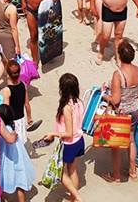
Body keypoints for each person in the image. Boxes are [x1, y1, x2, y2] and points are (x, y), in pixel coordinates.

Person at [42, 73, 85, 201]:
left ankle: (77, 197)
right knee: (73, 170)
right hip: (79, 140)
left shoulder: (67, 107)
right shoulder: (79, 102)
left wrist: (53, 134)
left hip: (69, 144)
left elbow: (68, 133)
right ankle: (73, 198)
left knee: (60, 173)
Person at [107, 39, 138, 182]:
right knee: (131, 140)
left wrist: (104, 95)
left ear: (120, 55)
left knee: (116, 146)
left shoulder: (118, 74)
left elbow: (115, 100)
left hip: (121, 113)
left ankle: (116, 176)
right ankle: (132, 171)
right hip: (134, 110)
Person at [0, 102, 34, 202]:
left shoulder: (1, 131)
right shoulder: (13, 131)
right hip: (17, 160)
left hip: (4, 161)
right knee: (20, 184)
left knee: (1, 183)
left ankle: (2, 199)